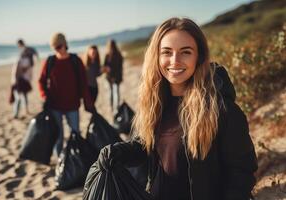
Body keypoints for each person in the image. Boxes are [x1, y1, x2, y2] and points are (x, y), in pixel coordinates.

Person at [97, 18, 258, 200]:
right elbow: (151, 147)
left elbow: (242, 172)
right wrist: (120, 152)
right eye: (167, 52)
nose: (175, 61)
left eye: (186, 52)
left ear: (199, 56)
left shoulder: (221, 109)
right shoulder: (154, 102)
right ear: (156, 57)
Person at [38, 33, 96, 156]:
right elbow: (41, 81)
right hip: (54, 106)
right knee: (58, 138)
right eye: (54, 48)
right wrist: (44, 96)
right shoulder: (50, 62)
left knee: (75, 134)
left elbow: (83, 84)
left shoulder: (75, 61)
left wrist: (88, 103)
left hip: (72, 105)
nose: (57, 50)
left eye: (59, 46)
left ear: (65, 44)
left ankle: (76, 160)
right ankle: (60, 161)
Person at [10, 39, 39, 118]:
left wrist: (15, 79)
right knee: (21, 96)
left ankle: (18, 113)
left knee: (20, 97)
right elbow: (35, 56)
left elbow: (18, 68)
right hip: (23, 79)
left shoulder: (24, 54)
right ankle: (21, 112)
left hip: (21, 79)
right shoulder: (26, 55)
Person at [103, 39, 123, 113]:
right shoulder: (107, 55)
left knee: (115, 93)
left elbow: (120, 67)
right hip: (110, 77)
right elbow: (104, 66)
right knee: (112, 93)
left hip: (115, 77)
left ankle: (115, 108)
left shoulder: (117, 55)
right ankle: (113, 108)